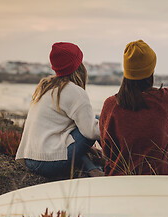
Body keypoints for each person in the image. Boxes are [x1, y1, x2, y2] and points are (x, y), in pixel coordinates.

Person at [99, 40, 168, 176]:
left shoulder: (110, 105)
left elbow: (107, 149)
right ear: (151, 70)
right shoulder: (165, 99)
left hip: (120, 178)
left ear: (127, 71)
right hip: (161, 178)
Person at [16, 42, 104, 178]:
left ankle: (92, 169)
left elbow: (59, 132)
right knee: (98, 122)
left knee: (82, 124)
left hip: (30, 159)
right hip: (50, 163)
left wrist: (88, 149)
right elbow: (90, 132)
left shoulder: (46, 87)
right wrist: (112, 125)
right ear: (78, 66)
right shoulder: (75, 91)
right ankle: (116, 164)